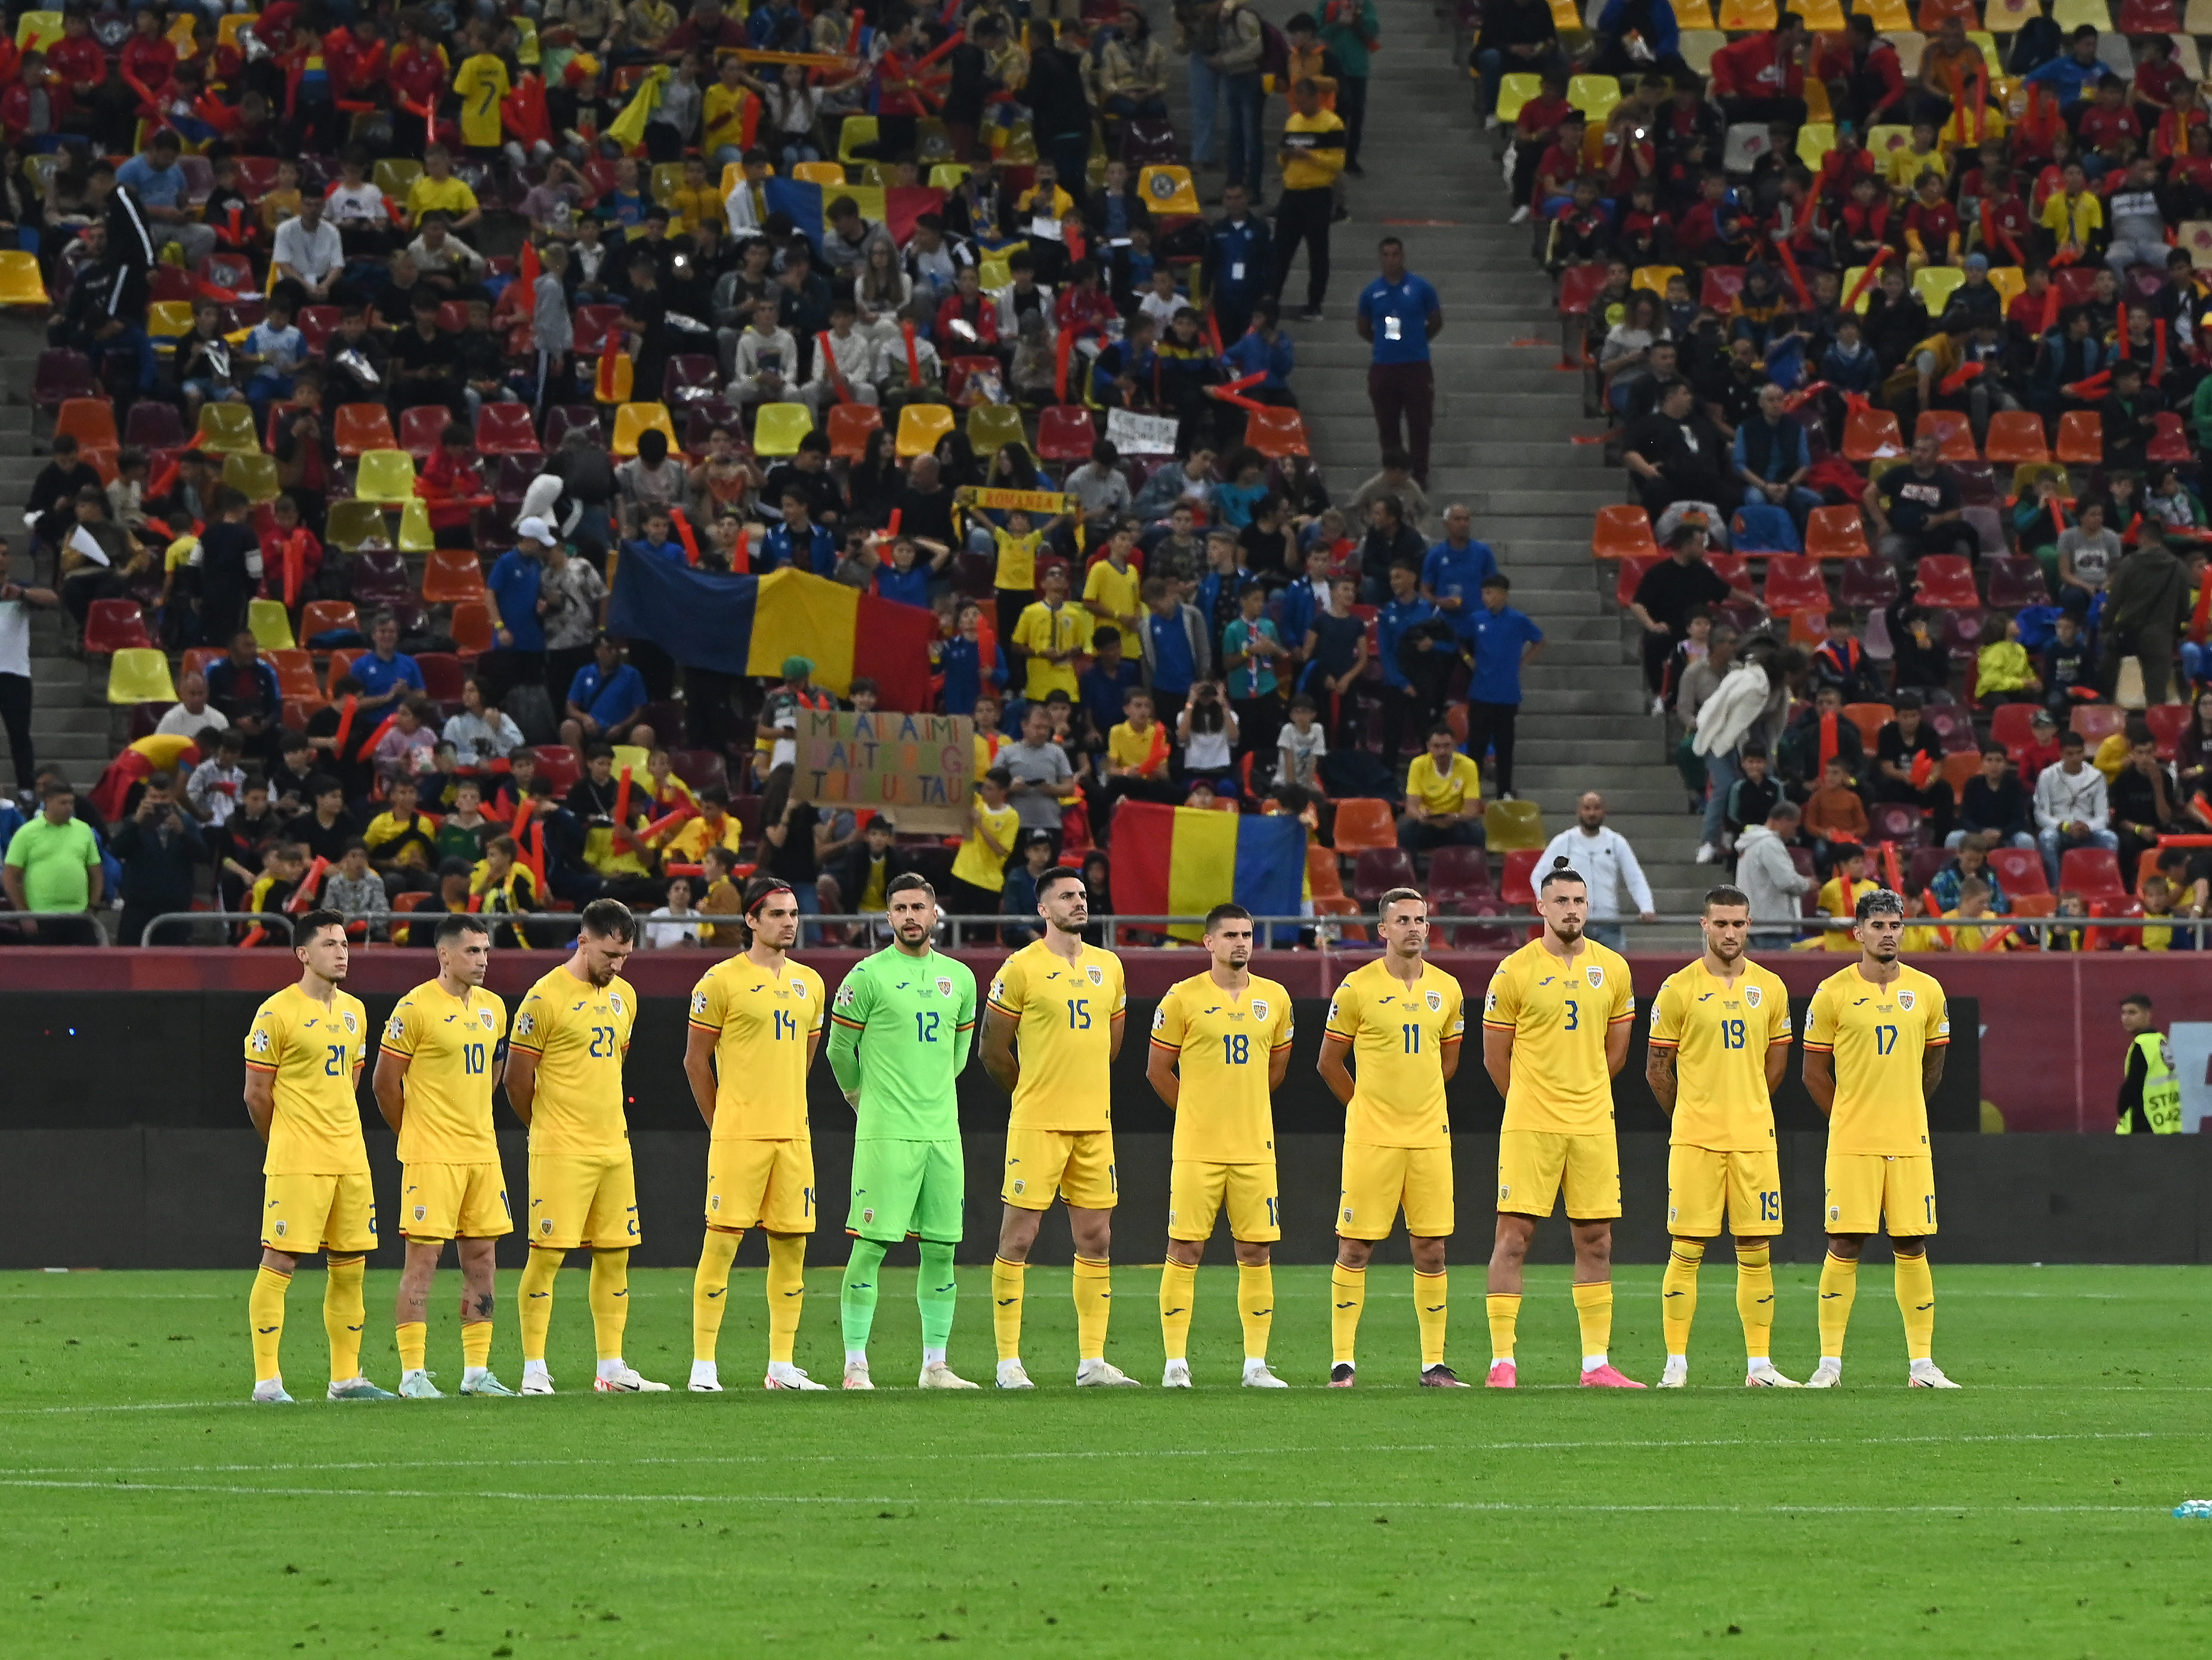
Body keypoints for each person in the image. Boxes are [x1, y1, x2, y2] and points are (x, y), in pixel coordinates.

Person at [1482, 862, 1641, 1389]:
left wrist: (1584, 1092)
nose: (1572, 909)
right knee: (1514, 1238)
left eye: (1579, 901)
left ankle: (1596, 1364)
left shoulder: (1613, 968)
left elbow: (1615, 1054)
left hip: (1593, 1122)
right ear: (1541, 908)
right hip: (1531, 1123)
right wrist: (1532, 1100)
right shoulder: (1514, 971)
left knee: (1597, 1239)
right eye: (1562, 901)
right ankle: (1502, 1361)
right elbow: (1494, 1058)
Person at [502, 900, 667, 1395]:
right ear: (584, 941)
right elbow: (515, 1079)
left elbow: (614, 1065)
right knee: (548, 1255)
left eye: (625, 957)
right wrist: (545, 1127)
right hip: (560, 1149)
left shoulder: (626, 997)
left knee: (615, 1255)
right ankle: (534, 1369)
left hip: (614, 1148)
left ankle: (611, 1368)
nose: (617, 966)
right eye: (610, 955)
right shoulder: (544, 998)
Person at [825, 873, 982, 1390]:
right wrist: (858, 1098)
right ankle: (855, 1366)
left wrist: (928, 1093)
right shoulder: (867, 976)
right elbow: (838, 1051)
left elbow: (958, 1058)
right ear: (888, 917)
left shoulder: (960, 978)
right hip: (886, 1133)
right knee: (870, 1245)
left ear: (936, 915)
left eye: (919, 906)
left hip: (942, 1134)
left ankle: (935, 1366)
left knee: (941, 1249)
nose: (910, 916)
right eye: (900, 908)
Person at [980, 866, 1135, 1389]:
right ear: (1043, 910)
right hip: (1038, 1123)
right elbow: (993, 1050)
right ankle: (1008, 1363)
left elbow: (1112, 1044)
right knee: (1018, 1237)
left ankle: (1093, 1362)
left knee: (1096, 1238)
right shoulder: (1020, 968)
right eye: (1066, 896)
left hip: (1094, 1124)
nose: (1079, 902)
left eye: (1083, 895)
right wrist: (1034, 1091)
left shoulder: (1109, 967)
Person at [1802, 888, 1959, 1389]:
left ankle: (1922, 1366)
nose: (1888, 934)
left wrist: (1907, 1107)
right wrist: (1847, 1116)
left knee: (1912, 1242)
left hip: (1910, 1139)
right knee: (1844, 1242)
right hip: (1853, 1141)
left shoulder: (1928, 990)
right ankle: (1829, 1365)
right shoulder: (1832, 993)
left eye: (1895, 926)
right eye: (1879, 926)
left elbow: (1933, 1063)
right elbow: (1813, 1073)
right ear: (1858, 932)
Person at [1646, 885, 1800, 1389]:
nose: (1730, 932)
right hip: (1696, 1140)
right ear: (1704, 925)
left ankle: (1760, 1366)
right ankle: (1675, 1364)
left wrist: (1747, 1103)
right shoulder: (1678, 989)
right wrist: (1690, 1113)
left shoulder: (1771, 988)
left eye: (1738, 924)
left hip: (1754, 1138)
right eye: (1721, 923)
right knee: (1686, 1246)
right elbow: (1657, 1071)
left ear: (1749, 925)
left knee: (1755, 1247)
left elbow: (1775, 1067)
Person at [683, 878, 829, 1393]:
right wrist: (722, 1123)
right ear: (751, 920)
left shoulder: (811, 983)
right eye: (777, 915)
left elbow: (805, 1059)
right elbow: (696, 1062)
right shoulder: (720, 981)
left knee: (792, 1248)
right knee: (721, 1245)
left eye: (793, 914)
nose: (789, 922)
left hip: (792, 1137)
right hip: (739, 1137)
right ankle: (704, 1367)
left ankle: (782, 1367)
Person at [242, 911, 392, 1403]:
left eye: (344, 942)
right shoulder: (276, 1012)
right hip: (298, 1159)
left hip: (350, 1157)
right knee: (281, 1260)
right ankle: (268, 1382)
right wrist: (284, 1139)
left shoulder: (355, 1012)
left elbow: (349, 1081)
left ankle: (346, 1379)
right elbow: (256, 1094)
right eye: (329, 944)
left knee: (350, 1265)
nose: (342, 951)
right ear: (303, 954)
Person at [1318, 887, 1467, 1386]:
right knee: (1355, 1247)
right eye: (1402, 920)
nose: (1413, 928)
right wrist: (1363, 1106)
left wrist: (1418, 1102)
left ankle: (1433, 1363)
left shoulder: (1447, 988)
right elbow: (1329, 1062)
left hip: (1429, 1138)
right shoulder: (1357, 988)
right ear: (1382, 930)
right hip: (1372, 1140)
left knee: (1432, 1248)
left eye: (1420, 920)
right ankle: (1343, 1362)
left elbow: (1447, 1060)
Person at [1146, 903, 1294, 1389]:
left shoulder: (1276, 998)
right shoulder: (1182, 998)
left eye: (1248, 934)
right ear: (1208, 942)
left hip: (1255, 1148)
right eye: (1230, 935)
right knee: (1184, 1248)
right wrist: (1196, 1113)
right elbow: (1157, 1070)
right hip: (1197, 1149)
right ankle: (1174, 1364)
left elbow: (1276, 1071)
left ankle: (1256, 1365)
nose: (1241, 943)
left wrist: (1241, 1107)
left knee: (1256, 1251)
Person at [370, 915, 515, 1400]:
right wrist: (414, 1129)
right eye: (473, 952)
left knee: (483, 1261)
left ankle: (477, 1373)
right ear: (445, 955)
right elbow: (384, 1083)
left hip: (481, 1154)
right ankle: (413, 1375)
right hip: (432, 1156)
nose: (483, 961)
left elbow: (496, 1066)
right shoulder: (414, 1008)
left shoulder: (495, 1008)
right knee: (424, 1261)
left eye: (487, 951)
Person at [1357, 237, 1443, 485]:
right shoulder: (1372, 293)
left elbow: (1436, 321)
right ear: (1380, 258)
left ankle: (1419, 473)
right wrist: (1382, 344)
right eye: (1385, 254)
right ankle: (1394, 472)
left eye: (1395, 254)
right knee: (1387, 423)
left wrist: (1418, 341)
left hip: (1415, 365)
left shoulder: (1421, 288)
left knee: (1420, 423)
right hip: (1385, 366)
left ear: (1403, 257)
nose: (1390, 259)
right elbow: (1363, 327)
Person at [1538, 792, 1657, 951]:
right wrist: (1549, 905)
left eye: (1596, 808)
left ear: (1604, 811)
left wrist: (1646, 907)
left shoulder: (1616, 842)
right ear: (1579, 811)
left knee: (1616, 973)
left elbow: (1635, 878)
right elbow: (1539, 875)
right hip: (1574, 924)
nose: (1592, 813)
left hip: (1610, 924)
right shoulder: (1565, 841)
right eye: (1587, 808)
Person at [1462, 573, 1543, 800]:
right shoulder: (1476, 619)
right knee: (1476, 746)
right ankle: (1472, 791)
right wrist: (1470, 660)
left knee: (1504, 747)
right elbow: (1461, 642)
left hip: (1507, 695)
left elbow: (1539, 639)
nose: (1487, 598)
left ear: (1503, 594)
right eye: (1484, 593)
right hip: (1481, 692)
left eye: (1491, 593)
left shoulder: (1518, 620)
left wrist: (1524, 661)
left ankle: (1504, 790)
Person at [1274, 78, 1346, 322]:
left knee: (1317, 251)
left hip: (1317, 193)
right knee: (1281, 250)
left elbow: (1337, 162)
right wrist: (1286, 156)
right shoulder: (1294, 122)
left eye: (1305, 98)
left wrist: (1309, 156)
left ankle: (1315, 303)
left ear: (1316, 97)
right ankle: (1271, 299)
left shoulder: (1331, 123)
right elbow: (1281, 156)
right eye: (1297, 99)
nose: (1300, 103)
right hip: (1292, 192)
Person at [111, 770, 205, 946]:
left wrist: (182, 833)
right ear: (146, 797)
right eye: (154, 797)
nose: (159, 802)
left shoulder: (186, 822)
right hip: (139, 908)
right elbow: (116, 850)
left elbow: (201, 856)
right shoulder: (134, 822)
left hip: (175, 907)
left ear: (172, 798)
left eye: (164, 797)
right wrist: (135, 823)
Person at [2, 779, 103, 944]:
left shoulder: (84, 830)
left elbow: (96, 871)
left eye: (71, 802)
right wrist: (24, 914)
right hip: (41, 916)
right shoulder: (27, 833)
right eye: (63, 803)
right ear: (47, 802)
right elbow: (9, 876)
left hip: (79, 916)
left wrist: (93, 905)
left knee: (87, 967)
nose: (69, 807)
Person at [2033, 729, 2117, 886]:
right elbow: (2040, 814)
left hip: (2086, 829)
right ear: (2061, 754)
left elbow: (2103, 816)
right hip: (2059, 828)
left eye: (2079, 753)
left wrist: (2088, 826)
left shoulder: (2096, 777)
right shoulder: (2047, 775)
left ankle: (2105, 885)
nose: (2075, 758)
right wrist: (2064, 826)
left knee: (2110, 839)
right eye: (2070, 754)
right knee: (2047, 838)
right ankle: (2055, 888)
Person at [1399, 726, 1484, 851]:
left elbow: (1472, 810)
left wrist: (1455, 817)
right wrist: (1421, 816)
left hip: (1456, 823)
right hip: (1428, 824)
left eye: (1447, 746)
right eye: (1437, 746)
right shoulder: (1418, 765)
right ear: (1428, 747)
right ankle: (1410, 870)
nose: (1442, 751)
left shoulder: (1469, 766)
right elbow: (1411, 808)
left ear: (1455, 745)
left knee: (1477, 833)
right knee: (1406, 832)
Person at [2115, 992, 2183, 1135]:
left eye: (2133, 1013)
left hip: (2146, 1121)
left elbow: (2134, 1084)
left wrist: (2121, 1109)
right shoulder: (2161, 1040)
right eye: (2124, 1013)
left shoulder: (2143, 1044)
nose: (2126, 1018)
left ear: (2148, 1014)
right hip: (2166, 1122)